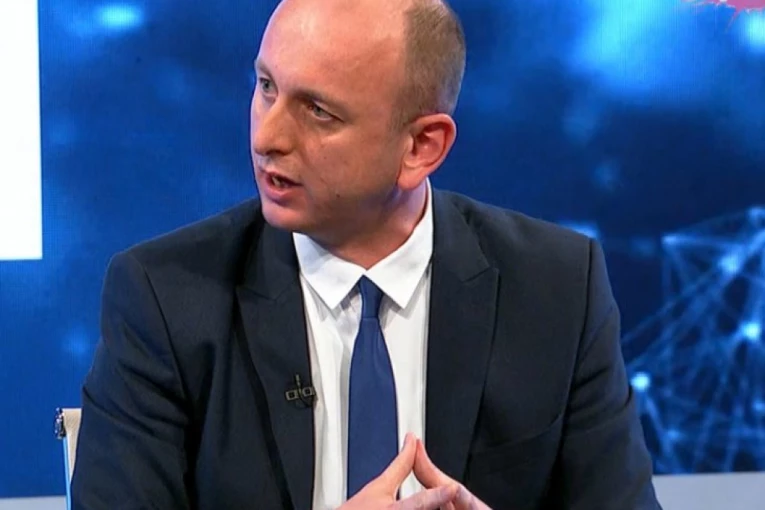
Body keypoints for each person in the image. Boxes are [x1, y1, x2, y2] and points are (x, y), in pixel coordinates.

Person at [71, 0, 663, 508]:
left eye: (318, 111)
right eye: (267, 86)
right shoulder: (166, 299)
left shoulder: (558, 291)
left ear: (421, 146)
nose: (267, 137)